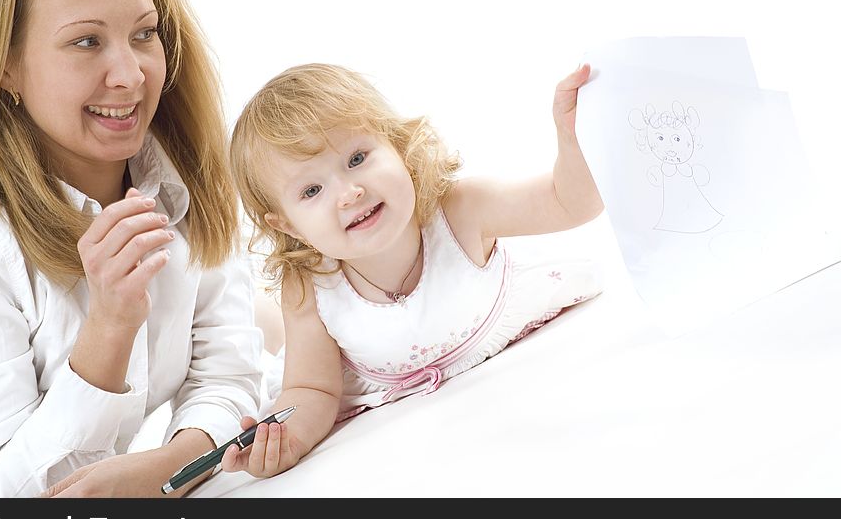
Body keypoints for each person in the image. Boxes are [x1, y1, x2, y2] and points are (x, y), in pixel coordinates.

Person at [0, 0, 269, 497]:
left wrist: (167, 471)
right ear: (4, 64)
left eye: (144, 33)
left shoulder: (180, 165)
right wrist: (109, 327)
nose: (130, 75)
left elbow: (229, 372)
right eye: (86, 41)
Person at [223, 62, 604, 478]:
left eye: (357, 158)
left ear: (397, 145)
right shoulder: (309, 286)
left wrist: (574, 139)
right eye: (312, 190)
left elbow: (569, 203)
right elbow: (311, 387)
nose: (350, 193)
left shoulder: (461, 210)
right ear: (287, 224)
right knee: (280, 336)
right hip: (357, 362)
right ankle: (252, 308)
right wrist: (288, 441)